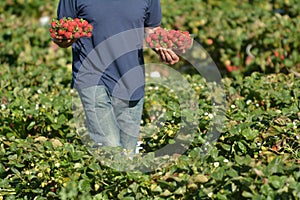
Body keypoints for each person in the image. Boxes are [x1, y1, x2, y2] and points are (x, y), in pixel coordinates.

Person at [53, 0, 181, 154]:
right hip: (91, 75)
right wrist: (65, 39)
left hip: (130, 77)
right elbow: (62, 31)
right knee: (110, 147)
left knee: (128, 151)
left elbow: (151, 27)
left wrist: (160, 44)